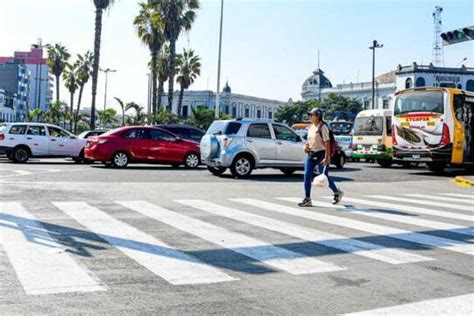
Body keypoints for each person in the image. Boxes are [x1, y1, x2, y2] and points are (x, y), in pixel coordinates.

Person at [298, 108, 344, 207]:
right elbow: (309, 140)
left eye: (311, 115)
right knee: (307, 175)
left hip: (322, 153)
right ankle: (307, 199)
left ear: (318, 116)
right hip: (311, 153)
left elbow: (327, 142)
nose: (310, 116)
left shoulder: (323, 127)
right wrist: (305, 147)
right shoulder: (311, 127)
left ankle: (337, 192)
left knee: (324, 176)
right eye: (309, 115)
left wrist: (326, 157)